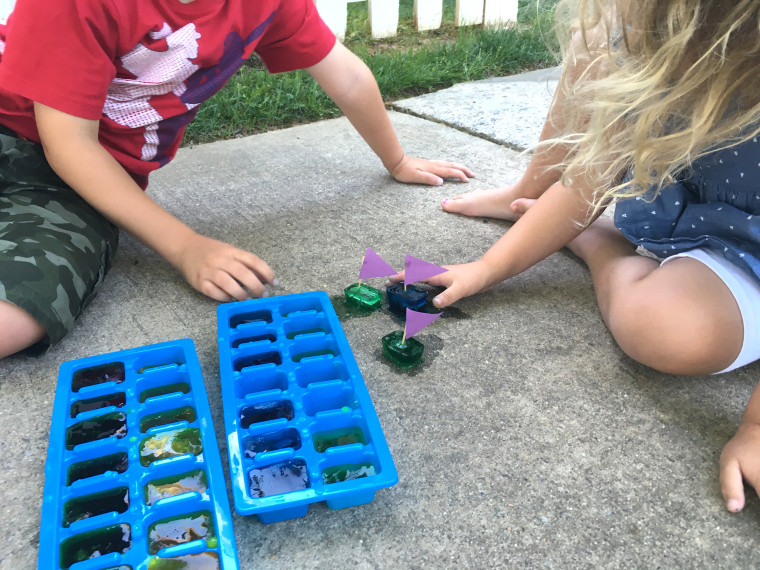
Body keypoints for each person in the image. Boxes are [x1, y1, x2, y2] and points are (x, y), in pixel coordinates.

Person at [391, 0, 760, 512]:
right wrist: (485, 269)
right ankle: (592, 233)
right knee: (595, 46)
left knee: (663, 330)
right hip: (692, 217)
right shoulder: (645, 33)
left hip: (749, 254)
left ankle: (597, 242)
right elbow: (588, 176)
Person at [0, 0, 474, 359]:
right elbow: (71, 145)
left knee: (21, 317)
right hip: (42, 142)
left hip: (58, 186)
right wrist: (185, 245)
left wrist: (397, 160)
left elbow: (345, 75)